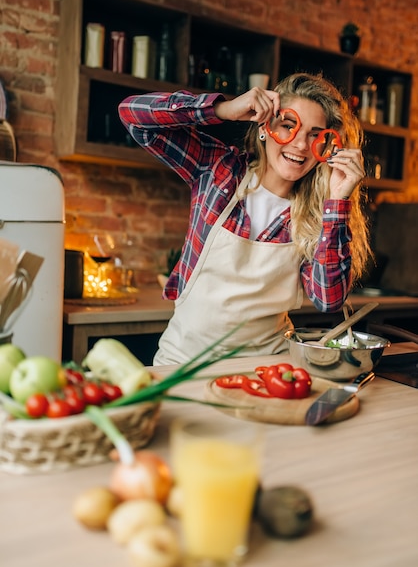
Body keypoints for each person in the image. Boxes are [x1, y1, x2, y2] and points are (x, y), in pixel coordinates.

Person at [119, 72, 371, 366]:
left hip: (266, 370)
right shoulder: (218, 170)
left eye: (315, 135)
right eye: (289, 126)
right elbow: (132, 115)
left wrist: (337, 202)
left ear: (326, 147)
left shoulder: (317, 214)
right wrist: (221, 109)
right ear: (265, 128)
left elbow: (328, 300)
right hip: (180, 364)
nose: (300, 145)